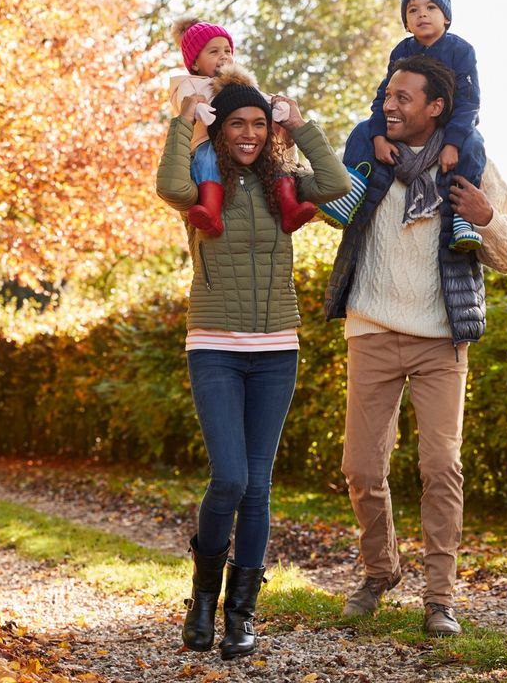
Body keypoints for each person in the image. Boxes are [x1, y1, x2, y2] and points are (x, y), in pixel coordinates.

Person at [322, 55, 507, 637]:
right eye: (388, 95)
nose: (390, 105)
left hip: (442, 339)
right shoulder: (369, 157)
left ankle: (440, 599)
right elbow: (319, 197)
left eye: (403, 97)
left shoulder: (470, 165)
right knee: (361, 467)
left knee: (441, 467)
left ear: (436, 107)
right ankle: (379, 570)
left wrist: (487, 218)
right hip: (372, 328)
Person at [156, 65, 351, 659]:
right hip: (214, 346)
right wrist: (183, 121)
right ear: (221, 131)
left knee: (258, 488)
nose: (248, 133)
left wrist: (300, 123)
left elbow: (339, 181)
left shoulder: (283, 182)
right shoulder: (202, 178)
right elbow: (168, 187)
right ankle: (203, 600)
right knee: (231, 478)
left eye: (259, 125)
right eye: (237, 123)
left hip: (275, 351)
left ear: (270, 131)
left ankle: (241, 616)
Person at [327, 0, 486, 252]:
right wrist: (378, 136)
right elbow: (384, 97)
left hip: (452, 126)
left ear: (446, 17)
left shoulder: (460, 51)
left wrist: (451, 143)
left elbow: (468, 102)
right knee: (362, 131)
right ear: (406, 23)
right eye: (412, 10)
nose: (421, 14)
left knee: (474, 143)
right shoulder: (402, 52)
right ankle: (351, 190)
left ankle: (462, 218)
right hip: (408, 127)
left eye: (430, 7)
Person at [168, 18, 319, 236]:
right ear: (194, 63)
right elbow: (185, 100)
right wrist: (198, 109)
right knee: (207, 158)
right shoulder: (188, 83)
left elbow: (260, 98)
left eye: (227, 50)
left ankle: (289, 207)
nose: (224, 56)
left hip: (241, 146)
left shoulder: (238, 82)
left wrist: (279, 107)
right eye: (213, 52)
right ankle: (210, 211)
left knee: (272, 158)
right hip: (206, 143)